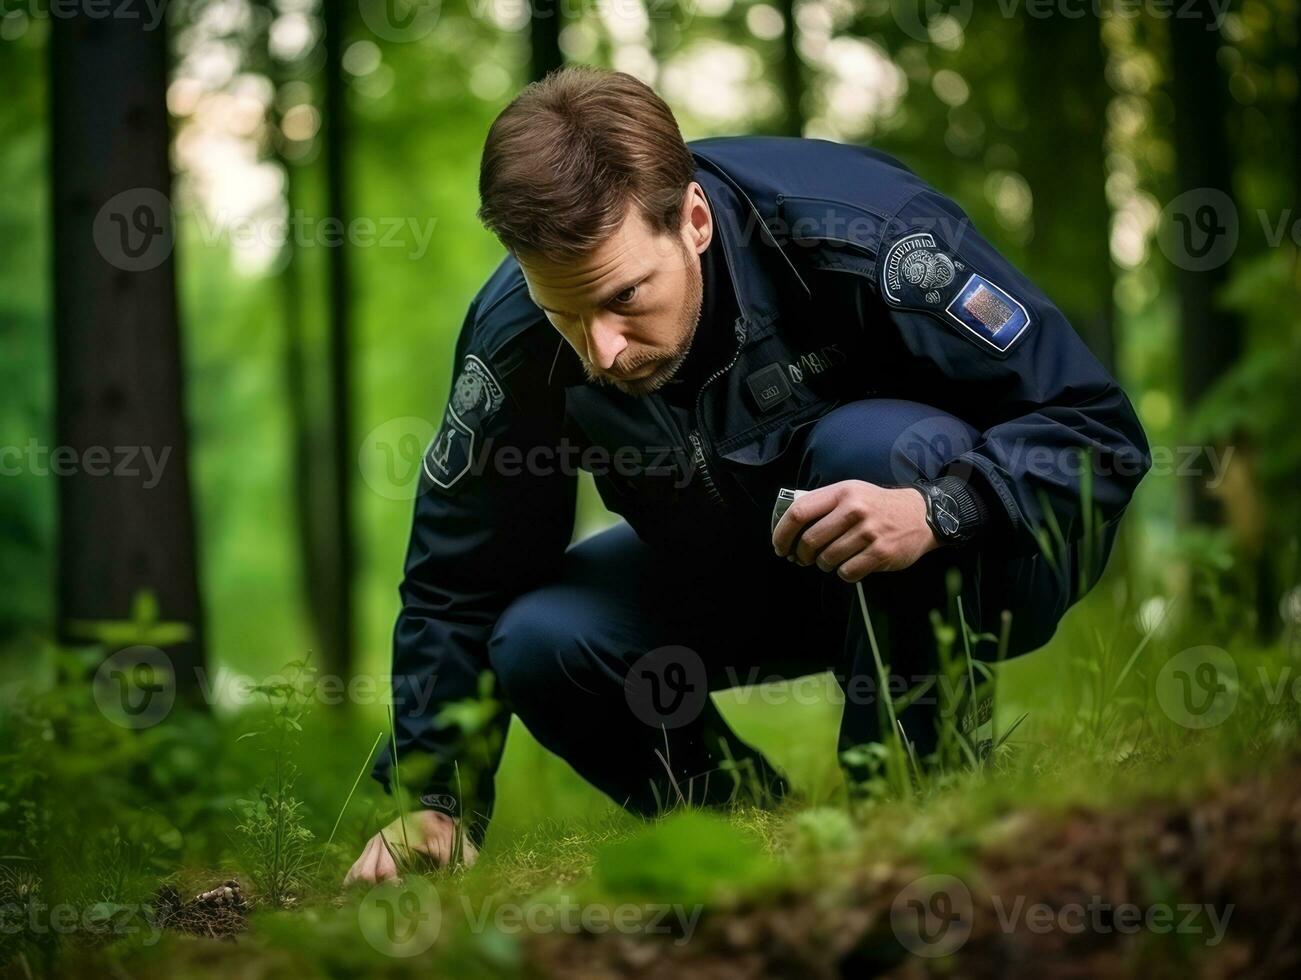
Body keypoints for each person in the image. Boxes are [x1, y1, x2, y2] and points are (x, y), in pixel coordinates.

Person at [344, 66, 1150, 885]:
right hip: (747, 576)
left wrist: (940, 508)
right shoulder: (518, 339)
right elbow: (459, 575)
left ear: (692, 220)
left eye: (626, 296)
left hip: (979, 554)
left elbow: (1095, 427)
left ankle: (911, 801)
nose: (601, 349)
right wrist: (432, 797)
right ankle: (747, 835)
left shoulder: (866, 235)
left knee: (870, 447)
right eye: (565, 313)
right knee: (539, 637)